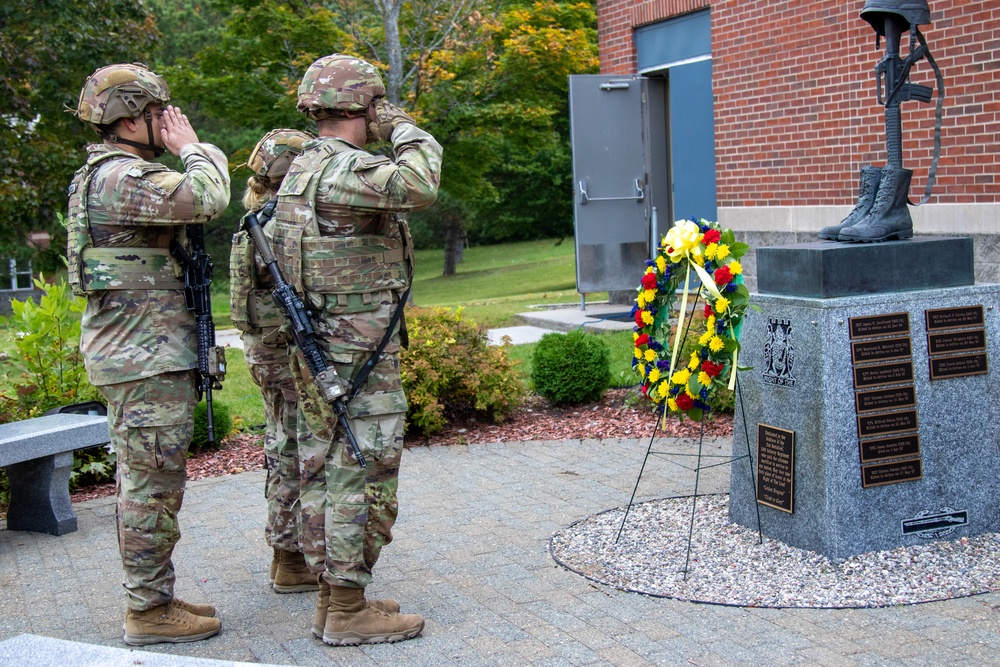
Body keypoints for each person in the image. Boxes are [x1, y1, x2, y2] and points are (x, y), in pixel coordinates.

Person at [270, 53, 442, 646]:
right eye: (375, 105)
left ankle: (333, 598)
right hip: (355, 356)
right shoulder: (343, 170)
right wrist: (401, 127)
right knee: (362, 473)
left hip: (324, 350)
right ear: (363, 106)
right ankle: (346, 608)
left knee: (326, 469)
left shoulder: (301, 170)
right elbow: (420, 182)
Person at [67, 63, 230, 646]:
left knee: (152, 480)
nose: (169, 121)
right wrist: (194, 148)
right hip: (143, 357)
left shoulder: (112, 174)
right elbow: (207, 197)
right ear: (130, 117)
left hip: (143, 352)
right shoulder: (122, 177)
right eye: (160, 112)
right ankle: (147, 610)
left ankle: (153, 595)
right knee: (150, 485)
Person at [229, 128, 319, 594]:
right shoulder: (277, 226)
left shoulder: (254, 219)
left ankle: (286, 554)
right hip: (285, 350)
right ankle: (295, 556)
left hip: (264, 349)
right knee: (302, 449)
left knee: (282, 443)